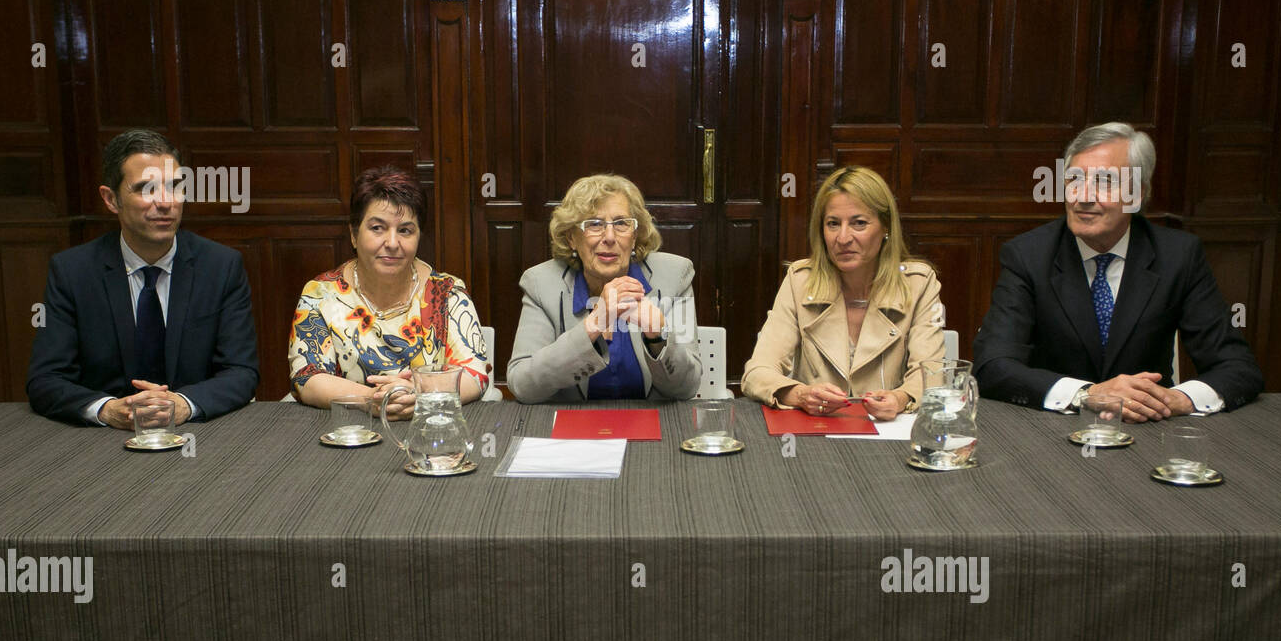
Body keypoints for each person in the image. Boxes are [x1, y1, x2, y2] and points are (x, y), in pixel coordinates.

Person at [974, 121, 1262, 421]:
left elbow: (1238, 367)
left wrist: (1178, 399)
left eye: (1103, 182)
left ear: (1139, 193)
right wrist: (1087, 395)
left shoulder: (1178, 256)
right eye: (1074, 179)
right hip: (1052, 430)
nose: (1082, 196)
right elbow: (992, 365)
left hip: (1149, 429)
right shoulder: (1029, 256)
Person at [26, 129, 259, 426]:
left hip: (199, 435)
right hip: (101, 443)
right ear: (111, 199)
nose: (164, 202)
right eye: (146, 189)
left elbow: (242, 371)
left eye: (174, 187)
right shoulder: (73, 271)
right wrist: (108, 409)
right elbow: (45, 379)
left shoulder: (221, 266)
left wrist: (183, 405)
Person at [742, 166, 944, 419]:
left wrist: (900, 399)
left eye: (859, 223)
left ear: (885, 229)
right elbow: (757, 372)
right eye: (833, 224)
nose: (843, 237)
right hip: (818, 432)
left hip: (890, 434)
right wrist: (801, 395)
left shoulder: (918, 284)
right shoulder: (800, 281)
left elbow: (931, 375)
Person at [289, 165, 489, 417]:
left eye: (405, 230)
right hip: (350, 430)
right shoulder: (320, 295)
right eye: (377, 228)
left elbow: (475, 374)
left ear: (418, 237)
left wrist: (422, 393)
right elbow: (308, 377)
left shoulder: (448, 293)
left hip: (431, 429)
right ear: (353, 235)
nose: (392, 243)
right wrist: (371, 400)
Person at [507, 173, 700, 403]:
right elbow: (522, 386)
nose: (609, 237)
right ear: (571, 238)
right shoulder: (542, 284)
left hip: (656, 426)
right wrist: (592, 325)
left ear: (635, 236)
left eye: (621, 224)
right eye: (594, 224)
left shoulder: (674, 277)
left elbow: (686, 389)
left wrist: (658, 335)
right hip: (572, 429)